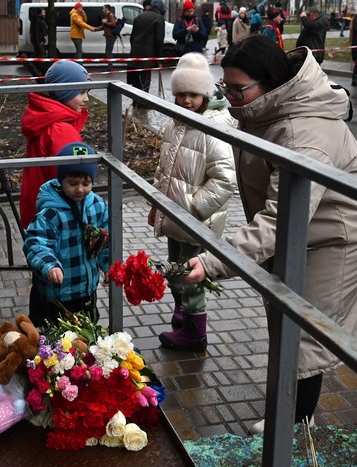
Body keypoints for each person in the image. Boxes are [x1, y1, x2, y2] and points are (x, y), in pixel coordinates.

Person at [182, 35, 357, 433]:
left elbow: (281, 219)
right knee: (284, 314)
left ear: (271, 81)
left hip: (338, 234)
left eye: (238, 89)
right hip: (301, 227)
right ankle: (292, 413)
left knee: (302, 326)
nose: (231, 97)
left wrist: (211, 262)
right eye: (225, 87)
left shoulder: (301, 133)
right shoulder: (266, 109)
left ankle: (294, 421)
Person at [149, 52, 237, 352]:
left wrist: (194, 207)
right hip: (176, 215)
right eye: (181, 94)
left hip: (195, 220)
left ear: (205, 94)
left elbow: (225, 179)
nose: (186, 100)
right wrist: (156, 203)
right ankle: (183, 312)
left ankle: (194, 331)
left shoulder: (213, 128)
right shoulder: (178, 123)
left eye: (193, 94)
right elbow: (165, 168)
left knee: (192, 276)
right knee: (176, 269)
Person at [23, 142, 109, 327]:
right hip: (55, 296)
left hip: (86, 290)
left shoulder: (97, 206)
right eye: (73, 183)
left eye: (86, 183)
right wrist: (49, 265)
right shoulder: (51, 213)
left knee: (86, 338)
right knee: (53, 344)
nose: (80, 189)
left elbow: (105, 240)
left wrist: (109, 266)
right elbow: (36, 243)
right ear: (61, 180)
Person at [19, 60, 91, 229]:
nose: (86, 98)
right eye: (81, 92)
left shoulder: (46, 119)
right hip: (58, 216)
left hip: (40, 208)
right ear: (64, 92)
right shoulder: (62, 131)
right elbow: (73, 181)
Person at [128, 0, 166, 95]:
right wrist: (159, 59)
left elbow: (132, 37)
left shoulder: (139, 16)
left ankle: (135, 101)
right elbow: (159, 41)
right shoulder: (159, 19)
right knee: (145, 80)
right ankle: (143, 104)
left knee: (136, 80)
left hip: (135, 53)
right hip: (148, 55)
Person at [101, 4, 117, 71]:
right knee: (108, 51)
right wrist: (95, 29)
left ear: (107, 8)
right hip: (108, 36)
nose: (102, 10)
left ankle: (110, 67)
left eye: (103, 8)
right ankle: (109, 66)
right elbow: (104, 26)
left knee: (109, 52)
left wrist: (105, 22)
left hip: (111, 36)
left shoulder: (110, 15)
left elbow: (113, 24)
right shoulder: (107, 16)